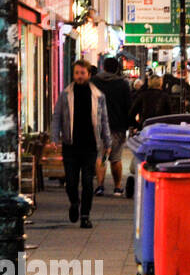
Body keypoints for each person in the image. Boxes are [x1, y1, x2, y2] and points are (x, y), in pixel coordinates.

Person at [51, 60, 111, 228]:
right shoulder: (65, 95)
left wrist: (108, 141)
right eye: (77, 73)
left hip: (90, 145)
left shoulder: (98, 96)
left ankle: (85, 215)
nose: (79, 76)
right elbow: (57, 117)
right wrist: (55, 137)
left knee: (86, 182)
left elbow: (104, 119)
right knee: (70, 182)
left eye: (82, 73)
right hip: (71, 145)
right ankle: (74, 203)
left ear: (89, 75)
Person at [91, 56, 133, 197]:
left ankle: (100, 186)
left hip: (98, 126)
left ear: (104, 67)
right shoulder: (122, 84)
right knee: (116, 158)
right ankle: (117, 187)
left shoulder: (94, 82)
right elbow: (129, 106)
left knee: (100, 157)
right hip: (117, 126)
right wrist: (129, 124)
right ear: (116, 69)